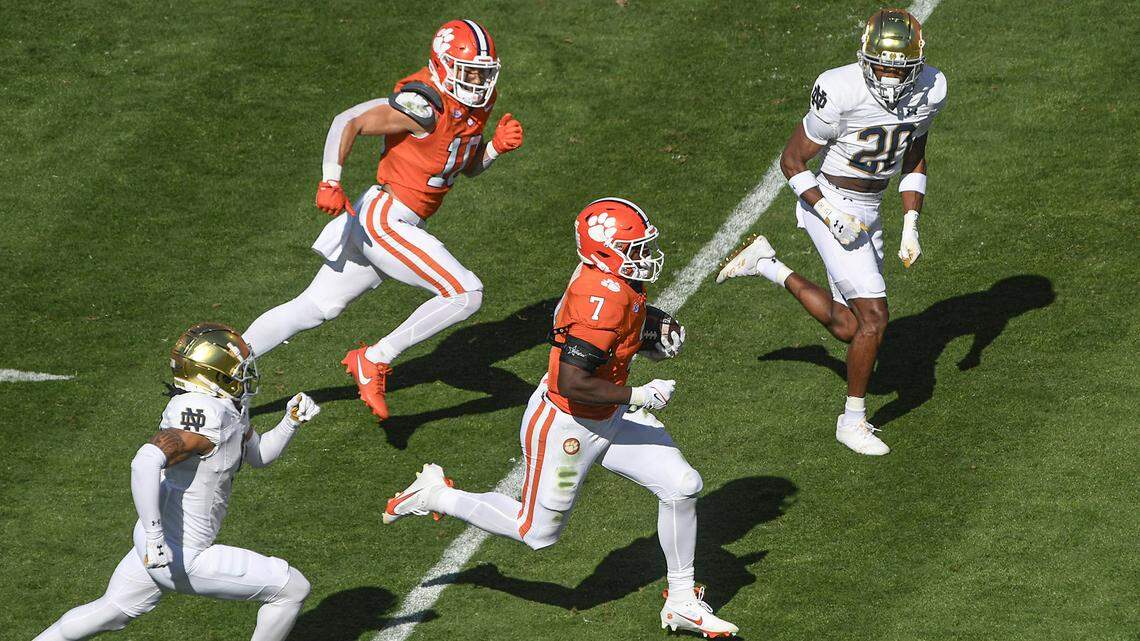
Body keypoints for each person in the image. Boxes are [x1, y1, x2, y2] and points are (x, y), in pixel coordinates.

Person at [382, 198, 739, 638]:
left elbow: (613, 336)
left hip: (608, 415)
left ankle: (683, 600)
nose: (644, 257)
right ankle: (434, 495)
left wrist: (649, 334)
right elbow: (571, 380)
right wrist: (640, 393)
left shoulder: (613, 283)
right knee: (537, 533)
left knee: (683, 486)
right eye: (635, 249)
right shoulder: (599, 297)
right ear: (605, 252)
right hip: (568, 425)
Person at [244, 19, 524, 422]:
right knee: (466, 293)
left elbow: (455, 168)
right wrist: (330, 179)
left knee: (317, 306)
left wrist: (494, 148)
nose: (477, 81)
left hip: (398, 219)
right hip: (386, 217)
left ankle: (226, 360)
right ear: (442, 64)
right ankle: (374, 358)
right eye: (469, 71)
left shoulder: (473, 104)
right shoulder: (424, 104)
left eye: (483, 72)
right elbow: (349, 120)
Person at [717, 8, 947, 455]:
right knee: (876, 320)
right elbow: (791, 162)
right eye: (882, 65)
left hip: (872, 208)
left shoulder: (931, 88)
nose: (890, 77)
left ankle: (765, 263)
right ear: (865, 58)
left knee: (849, 328)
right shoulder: (839, 89)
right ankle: (852, 420)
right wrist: (827, 213)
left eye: (900, 68)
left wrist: (911, 222)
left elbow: (914, 155)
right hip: (832, 202)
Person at [34, 323, 320, 641]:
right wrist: (157, 538)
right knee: (292, 588)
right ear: (213, 374)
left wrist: (290, 422)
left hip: (156, 542)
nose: (245, 374)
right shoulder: (206, 416)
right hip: (181, 553)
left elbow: (259, 455)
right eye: (238, 369)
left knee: (111, 610)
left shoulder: (224, 408)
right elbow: (144, 461)